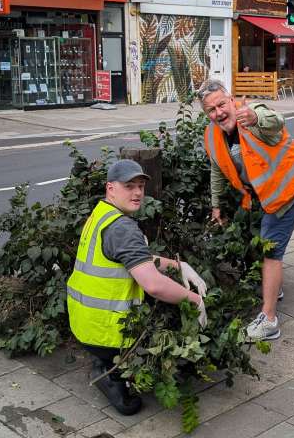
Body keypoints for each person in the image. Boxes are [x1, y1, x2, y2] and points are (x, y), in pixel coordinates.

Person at [67, 159, 208, 416]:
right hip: (106, 331)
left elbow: (131, 259)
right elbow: (153, 285)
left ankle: (104, 360)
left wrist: (178, 265)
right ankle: (110, 374)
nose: (138, 193)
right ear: (111, 188)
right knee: (132, 406)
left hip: (82, 319)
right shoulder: (122, 227)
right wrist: (194, 300)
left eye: (141, 186)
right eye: (129, 186)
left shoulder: (101, 215)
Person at [198, 79, 294, 342]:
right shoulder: (213, 135)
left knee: (271, 250)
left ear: (231, 98)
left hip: (288, 190)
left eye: (221, 104)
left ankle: (269, 320)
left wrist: (256, 116)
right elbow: (218, 168)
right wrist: (216, 204)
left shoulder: (250, 113)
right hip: (265, 195)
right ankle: (275, 288)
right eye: (211, 110)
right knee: (267, 245)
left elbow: (276, 120)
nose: (219, 113)